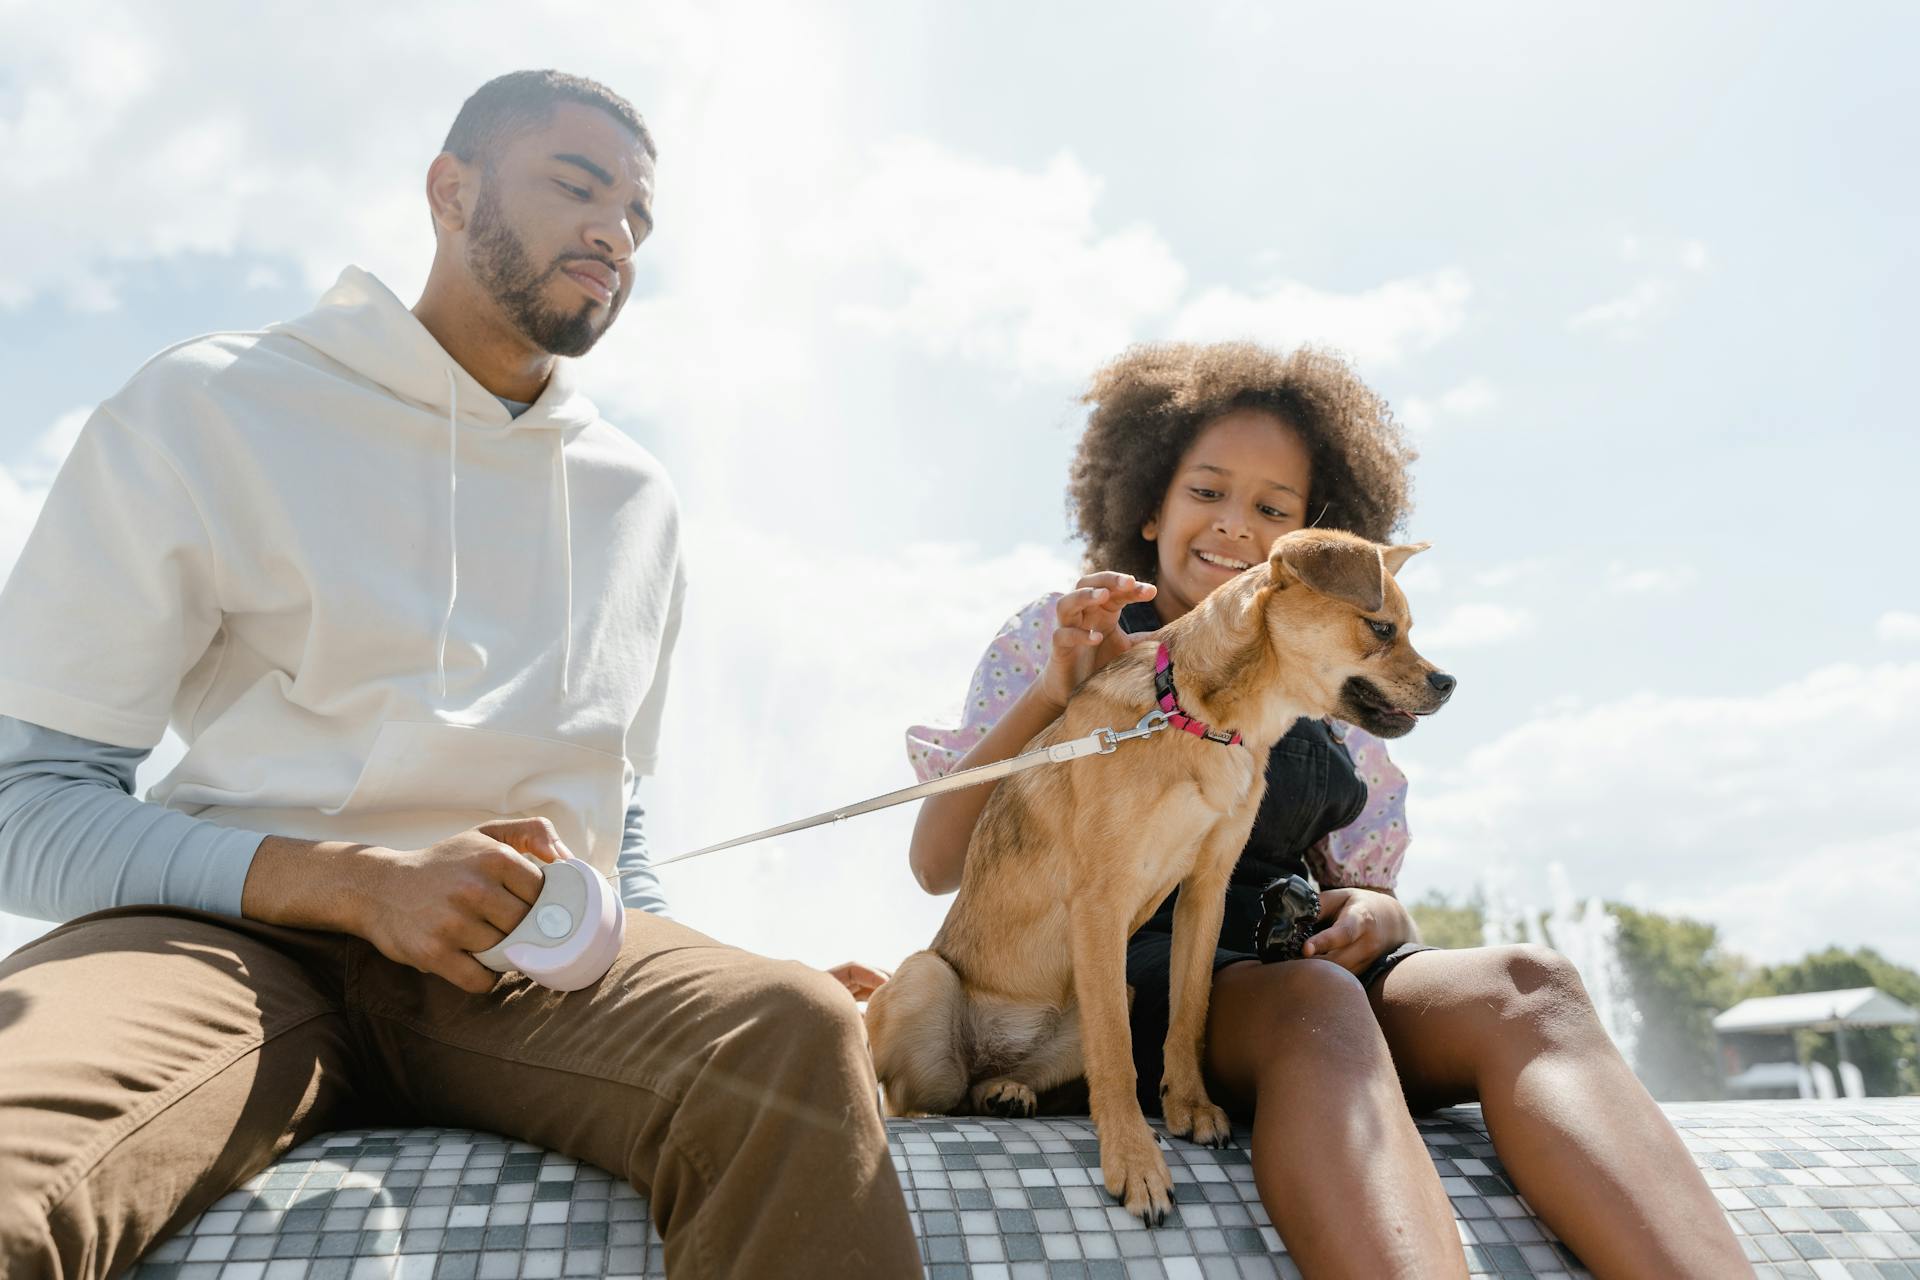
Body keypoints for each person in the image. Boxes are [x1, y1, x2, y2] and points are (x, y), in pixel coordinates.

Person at [0, 70, 920, 1280]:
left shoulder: (636, 500)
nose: (615, 233)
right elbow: (31, 799)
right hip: (225, 940)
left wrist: (707, 967)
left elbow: (619, 816)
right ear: (451, 190)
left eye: (639, 218)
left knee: (790, 1021)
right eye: (579, 187)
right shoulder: (212, 401)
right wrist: (353, 883)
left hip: (529, 969)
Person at [903, 341, 1751, 1278]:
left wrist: (1377, 915)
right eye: (1207, 492)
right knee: (1318, 1003)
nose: (1235, 527)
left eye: (1274, 511)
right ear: (1148, 506)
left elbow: (1367, 889)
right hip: (1135, 981)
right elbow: (940, 864)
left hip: (1298, 963)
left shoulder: (1344, 680)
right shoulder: (1065, 631)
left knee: (1527, 983)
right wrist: (1055, 693)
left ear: (1319, 553)